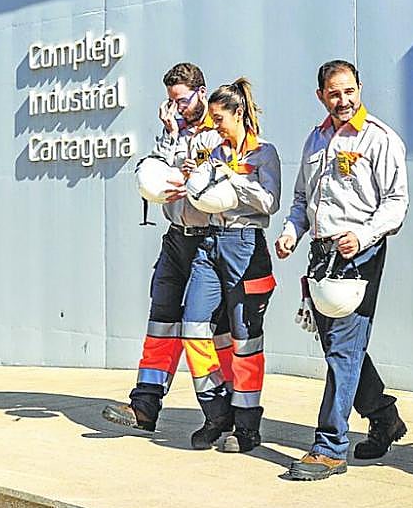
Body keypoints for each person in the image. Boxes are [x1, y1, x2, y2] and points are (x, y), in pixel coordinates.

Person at [275, 60, 410, 481]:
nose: (344, 100)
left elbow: (396, 202)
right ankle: (383, 415)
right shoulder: (315, 140)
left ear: (359, 88)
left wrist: (364, 236)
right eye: (334, 93)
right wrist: (290, 233)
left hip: (360, 255)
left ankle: (330, 446)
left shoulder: (380, 139)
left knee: (344, 349)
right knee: (337, 346)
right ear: (321, 96)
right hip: (320, 255)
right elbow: (302, 199)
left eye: (350, 91)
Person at [102, 63, 232, 432]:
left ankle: (223, 410)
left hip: (210, 241)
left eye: (183, 100)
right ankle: (144, 405)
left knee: (206, 329)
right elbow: (159, 169)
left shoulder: (219, 127)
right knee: (161, 320)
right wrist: (171, 133)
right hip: (176, 236)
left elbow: (212, 175)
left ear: (201, 93)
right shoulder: (173, 129)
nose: (177, 107)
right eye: (171, 101)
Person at [181, 79, 281, 452]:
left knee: (245, 340)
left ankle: (246, 424)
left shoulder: (264, 153)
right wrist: (196, 176)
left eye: (219, 118)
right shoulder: (213, 151)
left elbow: (269, 202)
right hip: (210, 242)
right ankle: (215, 411)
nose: (215, 125)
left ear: (238, 113)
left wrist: (233, 180)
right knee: (193, 326)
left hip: (246, 245)